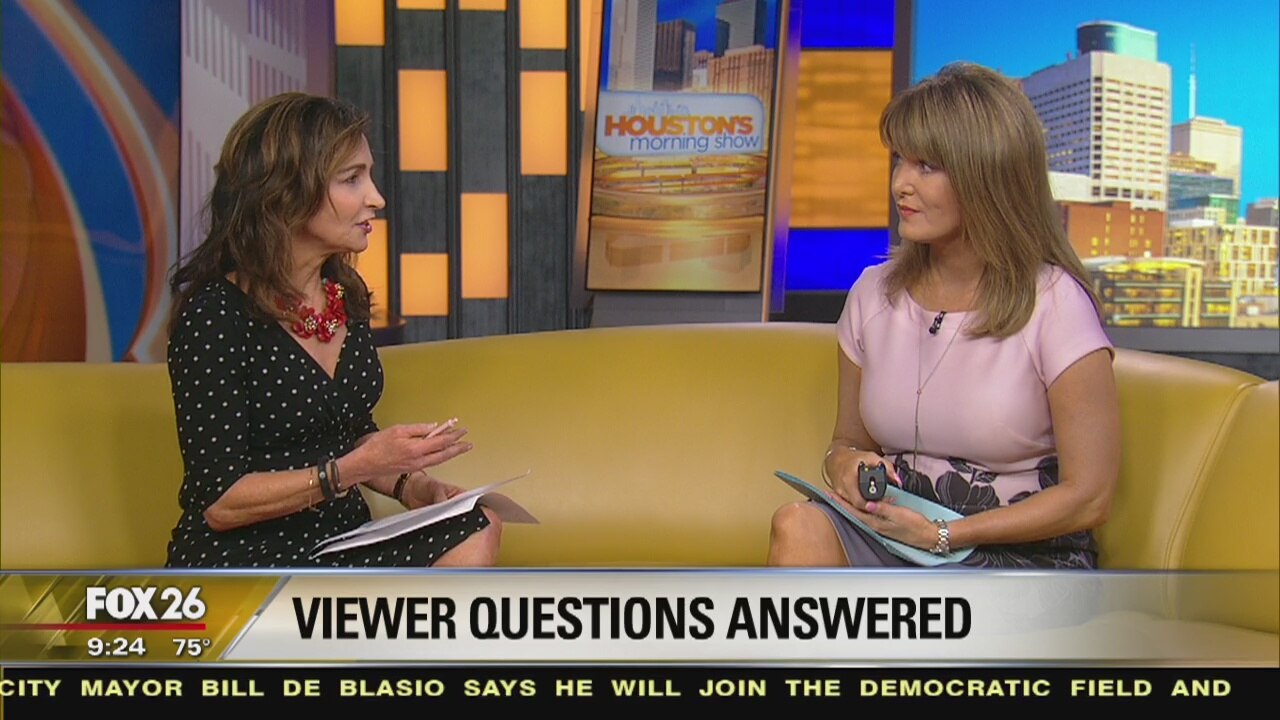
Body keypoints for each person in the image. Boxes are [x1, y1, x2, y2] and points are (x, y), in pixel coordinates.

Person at [767, 63, 1120, 569]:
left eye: (927, 166)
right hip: (898, 535)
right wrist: (844, 464)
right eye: (900, 161)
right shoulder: (872, 295)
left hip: (1015, 553)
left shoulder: (1055, 303)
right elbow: (847, 441)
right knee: (797, 525)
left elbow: (1090, 497)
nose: (900, 185)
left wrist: (945, 534)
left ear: (986, 176)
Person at [164, 92, 501, 568]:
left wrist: (417, 488)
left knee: (478, 523)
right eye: (352, 179)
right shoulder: (215, 316)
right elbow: (220, 502)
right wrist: (350, 470)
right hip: (244, 558)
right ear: (286, 192)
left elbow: (350, 432)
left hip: (339, 541)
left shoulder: (346, 294)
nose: (376, 198)